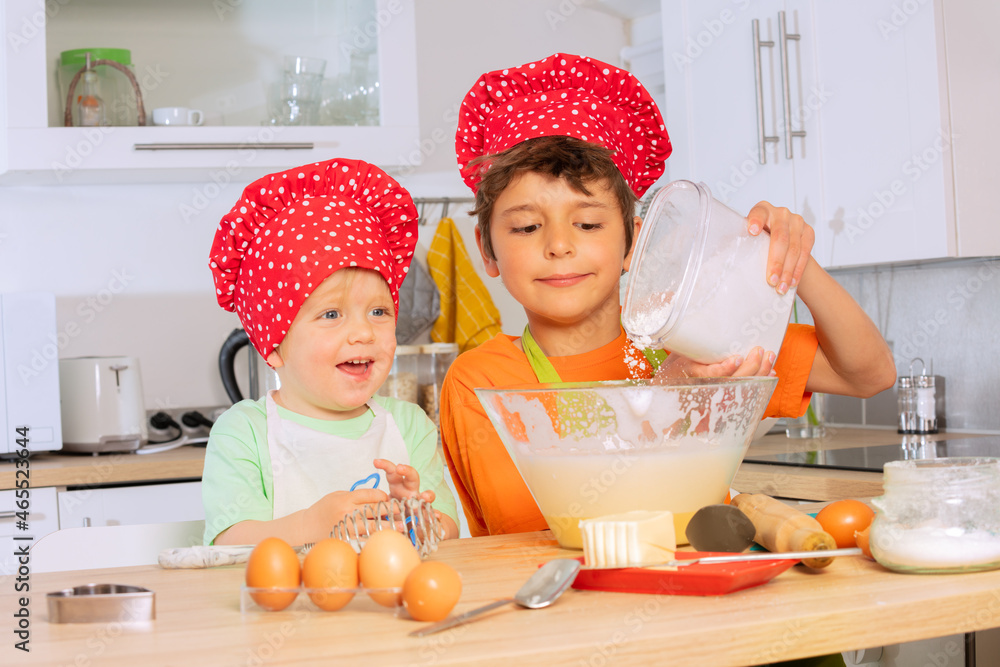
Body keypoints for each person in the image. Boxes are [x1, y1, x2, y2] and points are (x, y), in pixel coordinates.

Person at [440, 53, 896, 538]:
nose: (558, 245)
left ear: (634, 243)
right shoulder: (484, 383)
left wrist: (793, 259)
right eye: (527, 226)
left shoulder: (694, 337)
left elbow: (869, 374)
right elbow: (553, 530)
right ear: (487, 251)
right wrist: (669, 397)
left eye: (589, 223)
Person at [203, 157, 459, 547]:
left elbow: (450, 533)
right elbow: (228, 543)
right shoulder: (245, 433)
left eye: (378, 311)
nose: (362, 332)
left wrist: (415, 515)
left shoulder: (409, 427)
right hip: (285, 608)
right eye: (331, 314)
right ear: (272, 346)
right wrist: (309, 524)